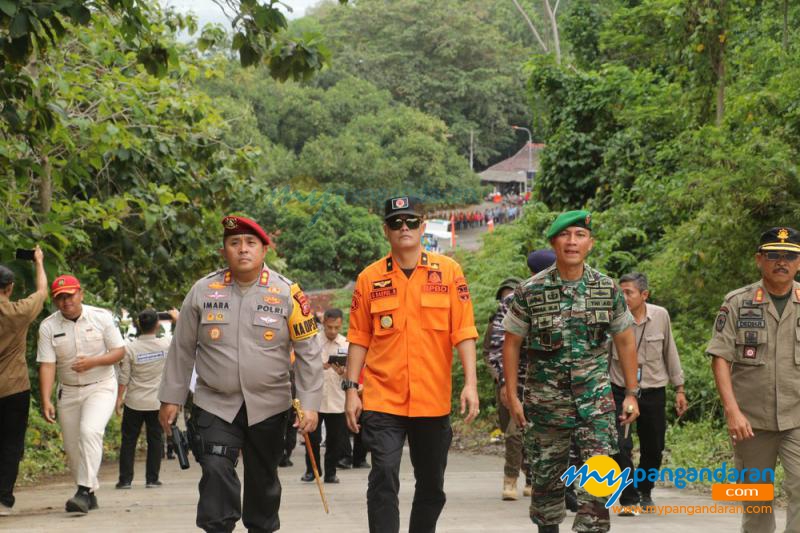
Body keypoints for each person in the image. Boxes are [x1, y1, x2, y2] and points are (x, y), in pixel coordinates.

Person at [158, 215, 323, 533]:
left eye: (250, 243)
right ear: (224, 252)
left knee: (263, 478)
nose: (242, 249)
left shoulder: (289, 293)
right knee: (216, 467)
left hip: (270, 405)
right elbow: (182, 348)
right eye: (234, 243)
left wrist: (310, 403)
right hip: (215, 403)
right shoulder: (203, 291)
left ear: (264, 250)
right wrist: (171, 399)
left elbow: (308, 352)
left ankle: (261, 527)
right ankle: (218, 526)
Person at [345, 195, 480, 533]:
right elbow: (359, 338)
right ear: (386, 230)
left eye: (410, 221)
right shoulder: (369, 279)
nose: (403, 228)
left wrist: (471, 384)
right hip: (383, 397)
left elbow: (463, 331)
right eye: (395, 222)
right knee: (384, 474)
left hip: (432, 400)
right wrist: (350, 389)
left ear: (422, 226)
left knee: (432, 485)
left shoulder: (448, 272)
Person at [502, 210, 640, 533]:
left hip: (595, 408)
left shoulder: (606, 289)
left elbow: (625, 341)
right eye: (565, 235)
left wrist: (631, 393)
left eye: (580, 235)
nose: (572, 242)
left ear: (590, 243)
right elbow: (512, 344)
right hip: (546, 408)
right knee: (547, 493)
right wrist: (512, 395)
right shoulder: (530, 291)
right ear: (554, 243)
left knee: (596, 492)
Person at [707, 226, 800, 533]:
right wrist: (732, 411)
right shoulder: (738, 302)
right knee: (756, 499)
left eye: (790, 256)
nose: (782, 262)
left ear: (799, 262)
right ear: (760, 259)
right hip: (750, 421)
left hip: (798, 417)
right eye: (774, 255)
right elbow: (720, 357)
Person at [37, 274, 126, 514]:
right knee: (73, 447)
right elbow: (47, 364)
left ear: (81, 294)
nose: (66, 302)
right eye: (61, 298)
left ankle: (83, 491)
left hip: (101, 385)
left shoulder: (101, 317)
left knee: (90, 431)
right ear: (55, 301)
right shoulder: (49, 326)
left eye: (70, 295)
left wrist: (93, 362)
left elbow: (119, 352)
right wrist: (45, 399)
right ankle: (89, 493)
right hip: (68, 391)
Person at [609, 272, 687, 513]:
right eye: (620, 291)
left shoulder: (660, 315)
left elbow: (669, 351)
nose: (623, 297)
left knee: (653, 446)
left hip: (653, 390)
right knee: (620, 444)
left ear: (644, 295)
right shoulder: (612, 316)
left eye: (628, 292)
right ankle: (628, 495)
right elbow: (602, 354)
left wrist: (680, 388)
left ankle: (645, 490)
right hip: (620, 389)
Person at [0, 246, 47, 516]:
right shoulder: (18, 312)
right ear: (10, 288)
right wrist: (38, 262)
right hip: (14, 388)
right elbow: (42, 292)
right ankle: (3, 499)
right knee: (10, 444)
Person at [115, 308, 178, 489]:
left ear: (138, 325)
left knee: (128, 441)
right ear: (157, 324)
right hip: (157, 403)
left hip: (134, 402)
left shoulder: (130, 348)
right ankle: (152, 479)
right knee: (155, 440)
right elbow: (184, 338)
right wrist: (176, 319)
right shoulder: (166, 344)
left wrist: (119, 398)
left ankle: (125, 480)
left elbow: (124, 377)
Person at [301, 308, 348, 484]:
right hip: (315, 400)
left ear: (341, 324)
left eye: (336, 327)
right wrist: (320, 366)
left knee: (335, 440)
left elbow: (351, 374)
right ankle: (312, 470)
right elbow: (303, 367)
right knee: (311, 438)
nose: (333, 331)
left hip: (337, 400)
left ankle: (331, 472)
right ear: (323, 323)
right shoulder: (312, 342)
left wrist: (343, 371)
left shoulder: (346, 344)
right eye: (329, 327)